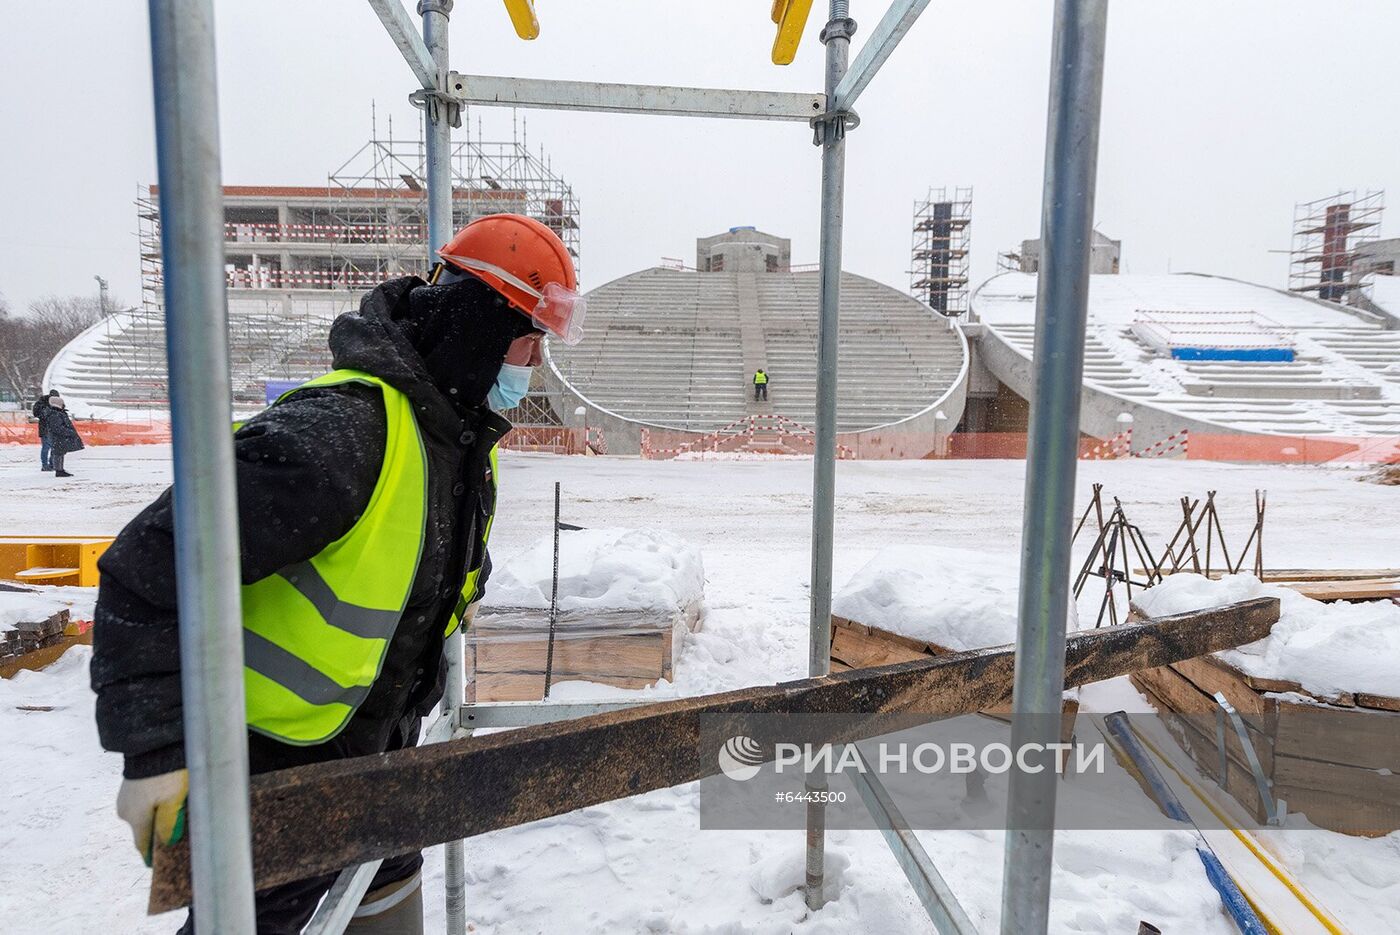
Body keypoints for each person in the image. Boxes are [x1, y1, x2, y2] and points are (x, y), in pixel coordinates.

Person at [91, 214, 583, 934]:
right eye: (528, 340)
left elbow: (432, 568)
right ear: (479, 323)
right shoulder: (342, 435)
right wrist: (157, 753)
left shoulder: (459, 436)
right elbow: (149, 565)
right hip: (275, 774)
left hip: (374, 749)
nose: (531, 363)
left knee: (386, 890)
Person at [42, 394, 84, 478]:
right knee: (58, 453)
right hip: (58, 437)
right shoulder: (54, 414)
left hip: (59, 437)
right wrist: (70, 432)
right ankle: (59, 470)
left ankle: (60, 469)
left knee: (60, 453)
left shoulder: (56, 413)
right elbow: (57, 428)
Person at [32, 389, 58, 471]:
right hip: (46, 428)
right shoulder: (42, 403)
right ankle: (46, 465)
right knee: (47, 447)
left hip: (52, 427)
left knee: (53, 447)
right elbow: (37, 413)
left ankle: (50, 464)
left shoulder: (43, 403)